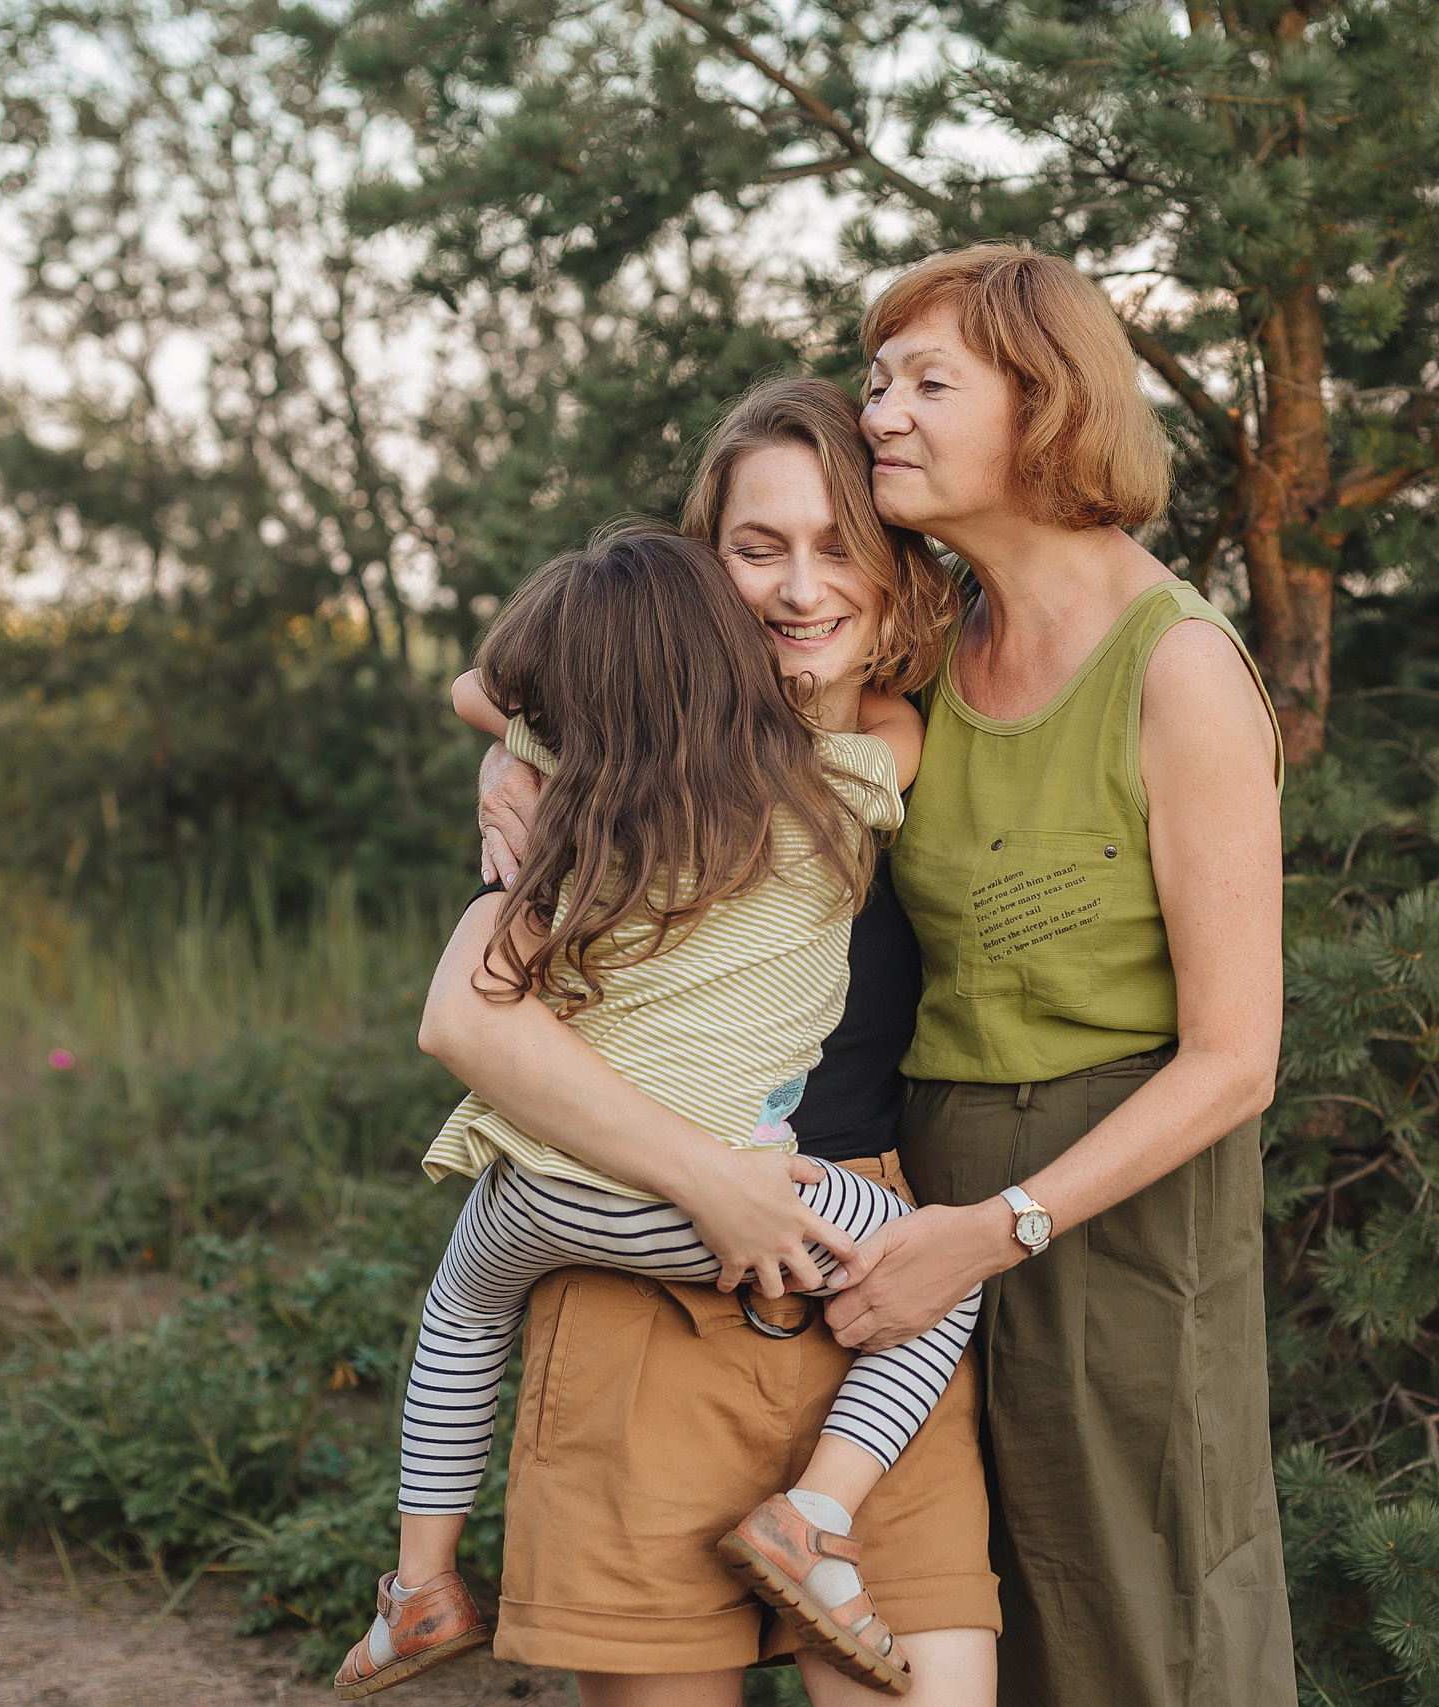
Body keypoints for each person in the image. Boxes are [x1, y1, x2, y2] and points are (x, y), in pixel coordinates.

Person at [417, 379, 999, 1707]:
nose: (801, 587)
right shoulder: (625, 755)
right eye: (757, 547)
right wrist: (513, 762)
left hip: (874, 1287)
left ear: (905, 576)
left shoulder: (931, 731)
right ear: (693, 570)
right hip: (647, 1287)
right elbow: (468, 1015)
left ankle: (427, 1574)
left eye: (841, 543)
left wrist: (501, 742)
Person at [819, 245, 1301, 1707]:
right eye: (875, 381)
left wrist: (1000, 1228)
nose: (878, 416)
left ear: (1045, 407)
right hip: (919, 1182)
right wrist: (499, 760)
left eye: (925, 383)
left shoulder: (1179, 668)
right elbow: (613, 658)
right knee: (962, 1607)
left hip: (1116, 1193)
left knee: (1143, 1612)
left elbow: (1237, 1057)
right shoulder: (917, 638)